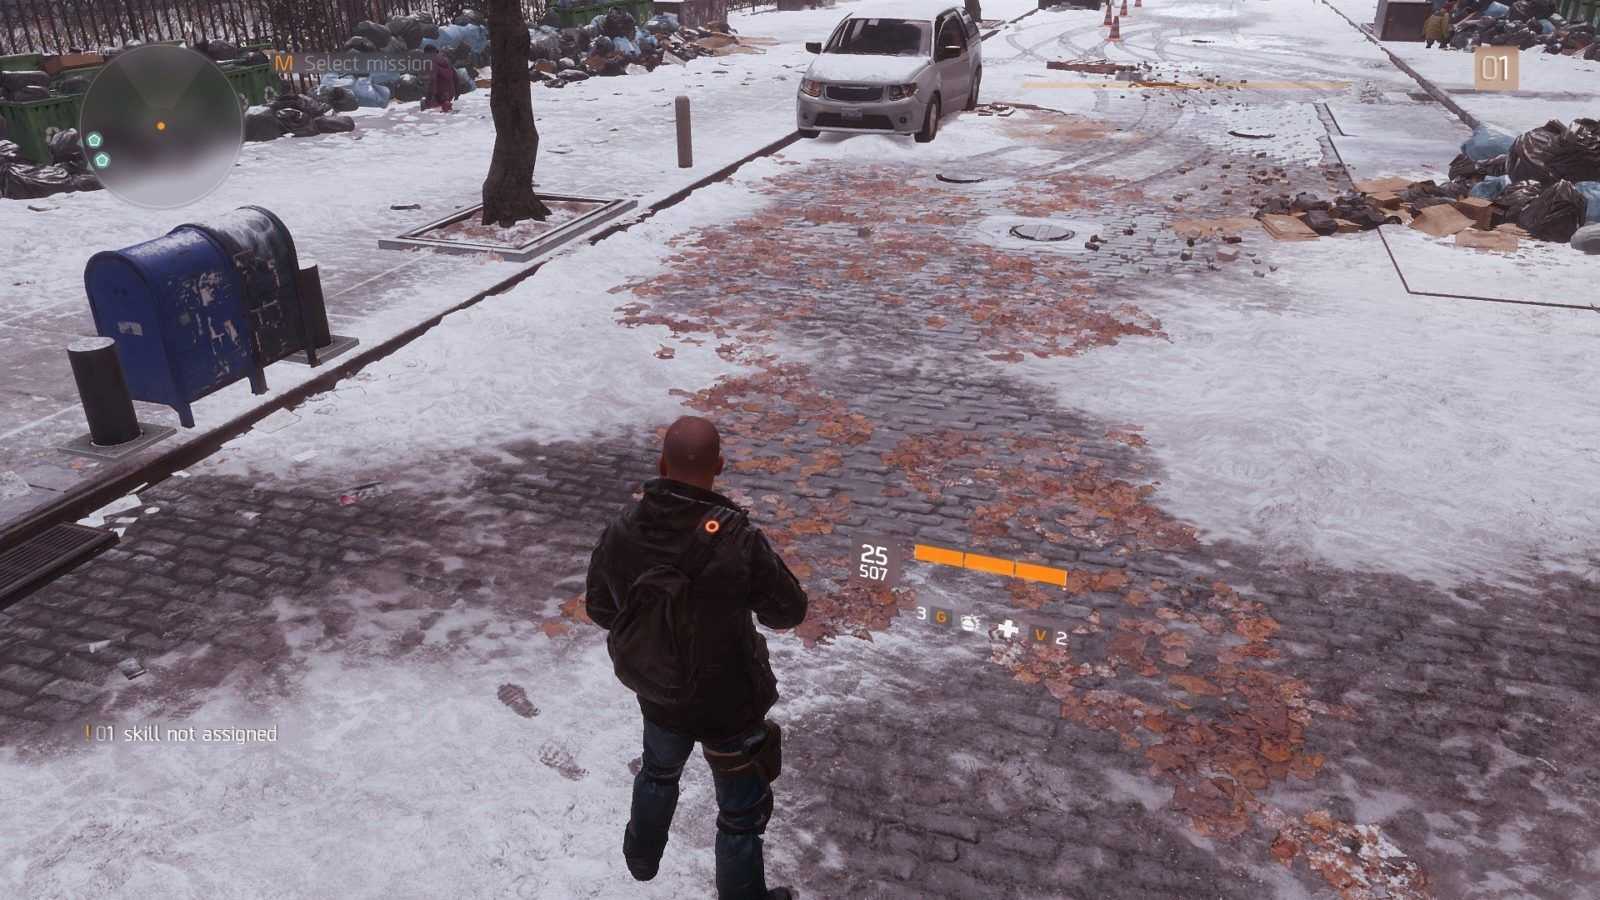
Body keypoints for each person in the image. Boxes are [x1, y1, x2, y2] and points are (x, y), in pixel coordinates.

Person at [586, 416, 808, 900]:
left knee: (657, 771)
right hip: (730, 702)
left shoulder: (621, 531)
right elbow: (788, 611)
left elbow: (601, 610)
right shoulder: (736, 538)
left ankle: (641, 857)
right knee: (740, 816)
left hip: (660, 692)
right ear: (719, 466)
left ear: (662, 465)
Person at [423, 47, 457, 111]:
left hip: (440, 93)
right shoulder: (447, 60)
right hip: (450, 91)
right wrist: (456, 92)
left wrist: (430, 96)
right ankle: (446, 103)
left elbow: (432, 80)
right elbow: (455, 77)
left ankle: (445, 104)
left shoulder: (432, 63)